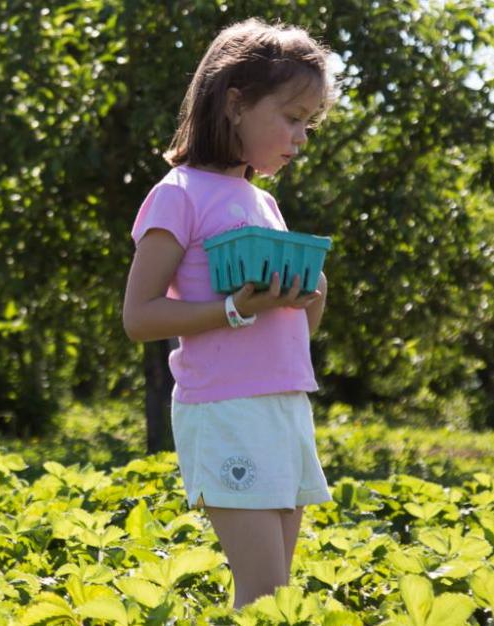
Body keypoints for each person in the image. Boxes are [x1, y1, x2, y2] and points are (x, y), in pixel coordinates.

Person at [119, 17, 339, 610]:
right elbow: (139, 318)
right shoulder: (179, 194)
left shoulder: (264, 203)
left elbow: (294, 332)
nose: (300, 138)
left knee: (277, 599)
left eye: (308, 124)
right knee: (264, 592)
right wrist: (232, 309)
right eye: (292, 118)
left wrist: (310, 292)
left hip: (284, 403)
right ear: (236, 104)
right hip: (225, 408)